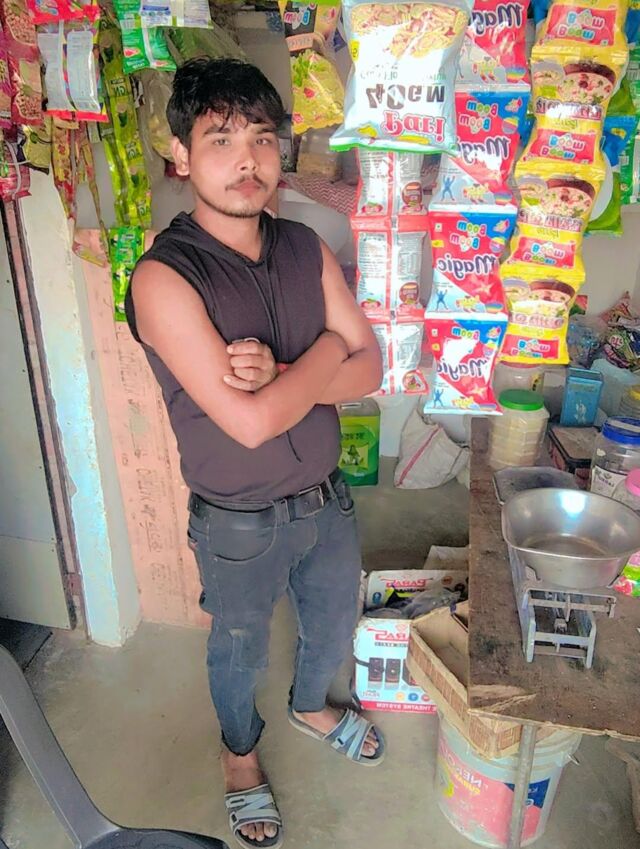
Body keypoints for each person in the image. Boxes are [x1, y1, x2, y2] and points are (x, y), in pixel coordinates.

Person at [125, 58, 385, 849]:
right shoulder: (163, 278)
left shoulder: (304, 245)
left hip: (327, 497)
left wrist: (284, 374)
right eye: (221, 139)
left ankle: (311, 706)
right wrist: (321, 361)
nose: (248, 160)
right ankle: (239, 756)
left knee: (333, 622)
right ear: (181, 154)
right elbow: (249, 424)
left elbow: (372, 369)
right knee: (238, 646)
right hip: (238, 519)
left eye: (263, 138)